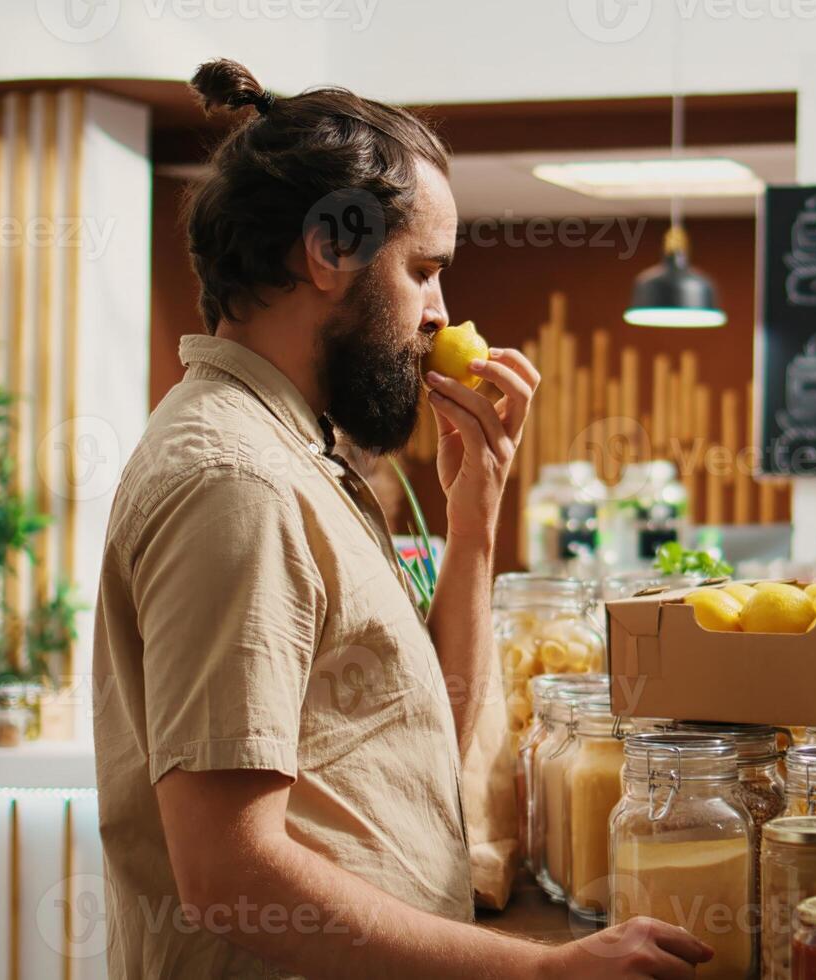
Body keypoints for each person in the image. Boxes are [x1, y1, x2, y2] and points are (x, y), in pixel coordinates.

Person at [91, 60, 713, 979]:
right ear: (331, 247)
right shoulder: (239, 482)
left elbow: (426, 741)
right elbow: (227, 871)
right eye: (423, 270)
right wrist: (538, 970)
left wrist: (476, 526)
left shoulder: (302, 457)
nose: (440, 313)